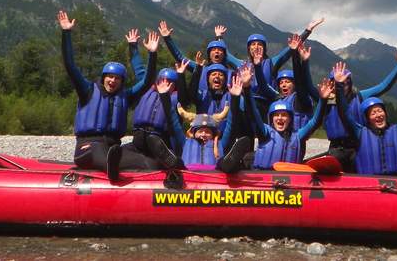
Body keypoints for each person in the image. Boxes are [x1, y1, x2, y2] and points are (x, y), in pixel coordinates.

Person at [57, 10, 157, 180]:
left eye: (117, 78)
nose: (113, 80)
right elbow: (70, 65)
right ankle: (111, 169)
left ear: (121, 81)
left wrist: (152, 54)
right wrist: (66, 33)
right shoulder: (87, 91)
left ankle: (141, 172)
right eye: (110, 77)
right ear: (103, 78)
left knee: (150, 164)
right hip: (87, 148)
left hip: (113, 149)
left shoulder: (126, 96)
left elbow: (147, 82)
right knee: (101, 153)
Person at [318, 48, 397, 172]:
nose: (344, 83)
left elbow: (384, 86)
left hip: (358, 147)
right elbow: (305, 86)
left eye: (347, 80)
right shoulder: (325, 99)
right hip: (336, 148)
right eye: (339, 81)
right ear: (332, 84)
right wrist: (303, 61)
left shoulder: (360, 96)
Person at [156, 69, 253, 173]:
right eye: (200, 131)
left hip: (216, 173)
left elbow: (231, 122)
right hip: (186, 172)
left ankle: (230, 162)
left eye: (207, 131)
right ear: (193, 133)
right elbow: (173, 122)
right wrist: (165, 96)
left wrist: (235, 98)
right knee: (177, 162)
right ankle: (170, 160)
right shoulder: (185, 142)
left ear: (214, 134)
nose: (204, 134)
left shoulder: (221, 143)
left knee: (223, 163)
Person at [247, 69, 334, 170]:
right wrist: (246, 88)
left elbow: (314, 122)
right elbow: (253, 113)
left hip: (291, 179)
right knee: (248, 158)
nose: (280, 118)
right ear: (271, 119)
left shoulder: (297, 135)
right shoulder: (265, 133)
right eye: (276, 115)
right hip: (265, 178)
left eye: (284, 115)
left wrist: (323, 100)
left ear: (290, 119)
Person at [158, 21, 233, 93]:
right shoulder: (201, 68)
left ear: (224, 54)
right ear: (209, 55)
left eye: (220, 50)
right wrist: (167, 38)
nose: (217, 52)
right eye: (213, 50)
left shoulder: (231, 73)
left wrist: (219, 37)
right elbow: (180, 58)